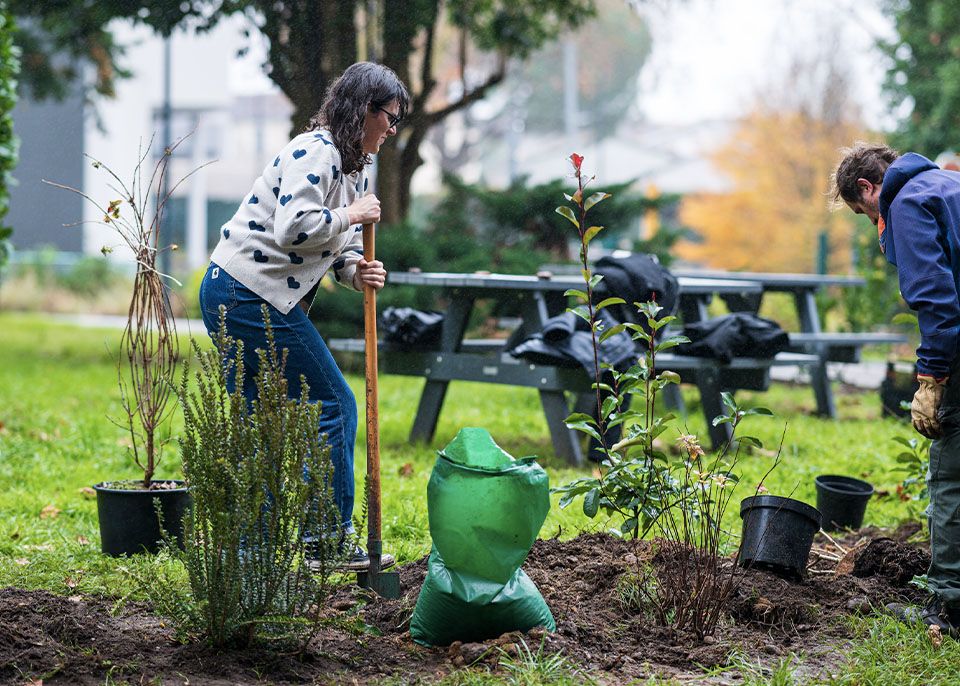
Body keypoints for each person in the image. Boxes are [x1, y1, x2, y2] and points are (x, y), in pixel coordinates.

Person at [198, 62, 409, 571]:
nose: (393, 128)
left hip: (241, 292)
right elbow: (295, 230)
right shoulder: (316, 151)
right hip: (248, 294)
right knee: (334, 401)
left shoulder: (352, 167)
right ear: (363, 110)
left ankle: (253, 554)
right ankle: (326, 540)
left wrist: (357, 271)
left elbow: (335, 245)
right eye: (389, 116)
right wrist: (353, 216)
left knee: (259, 418)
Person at [833, 142, 960, 636]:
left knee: (951, 471)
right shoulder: (950, 184)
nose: (873, 223)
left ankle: (949, 607)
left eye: (866, 214)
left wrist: (930, 379)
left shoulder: (906, 203)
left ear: (868, 188)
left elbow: (938, 303)